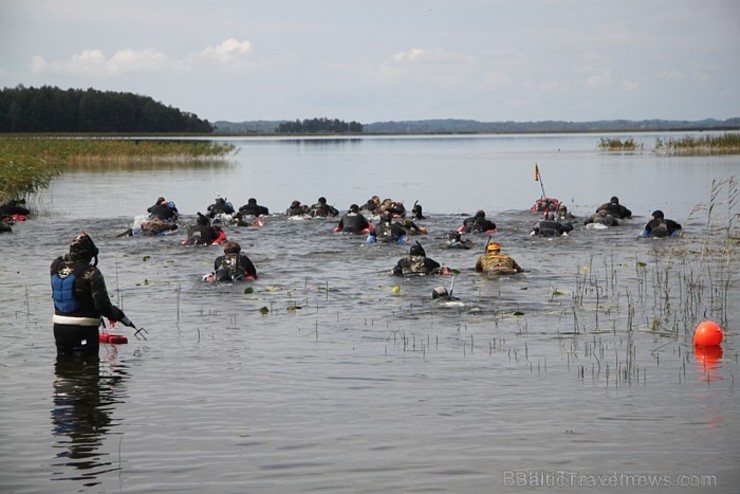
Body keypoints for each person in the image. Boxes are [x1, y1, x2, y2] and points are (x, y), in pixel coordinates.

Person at [51, 233, 134, 356]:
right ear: (89, 254)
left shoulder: (55, 266)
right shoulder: (92, 273)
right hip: (84, 329)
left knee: (64, 369)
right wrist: (118, 314)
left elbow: (62, 258)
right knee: (88, 371)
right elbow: (103, 307)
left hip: (59, 329)